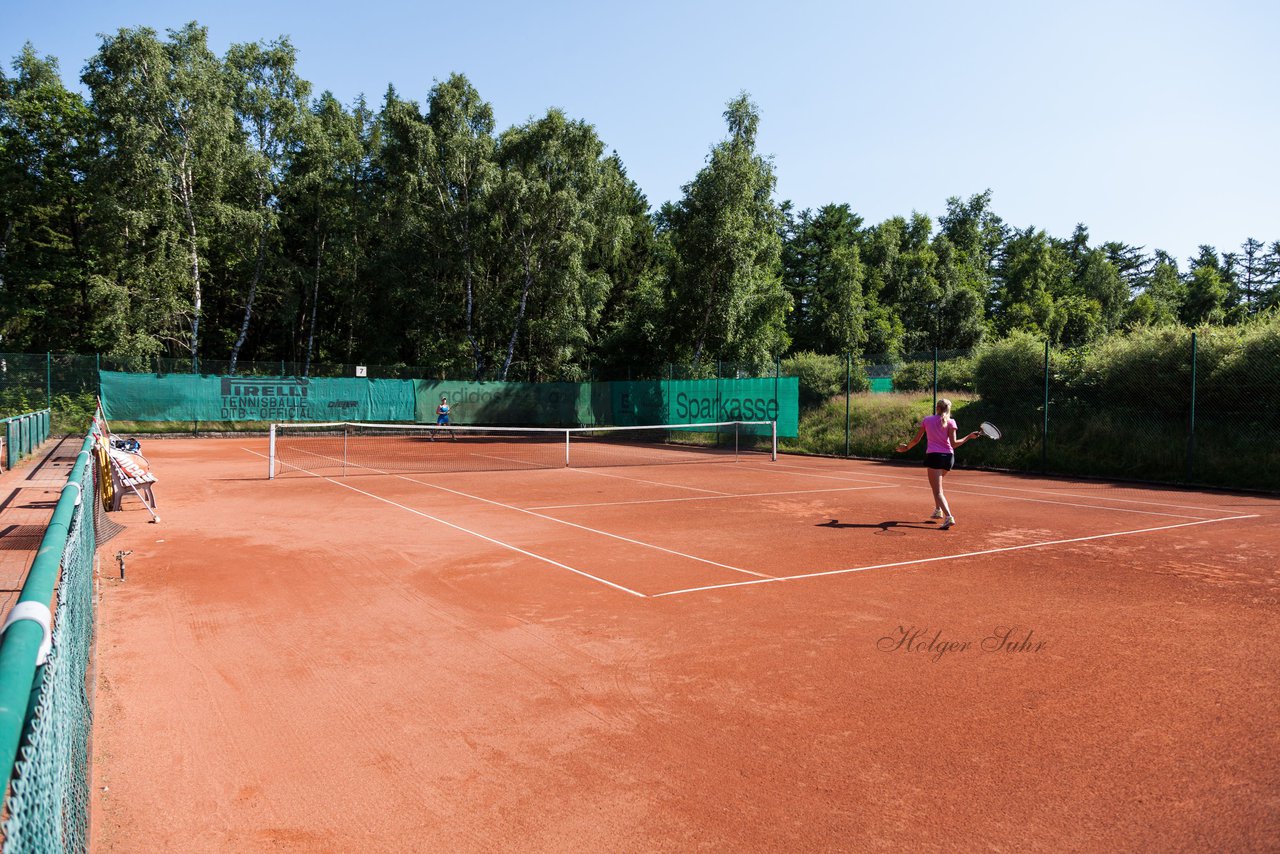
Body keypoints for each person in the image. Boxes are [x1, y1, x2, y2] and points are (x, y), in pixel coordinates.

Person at [894, 398, 979, 530]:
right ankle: (938, 510)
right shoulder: (951, 422)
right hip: (949, 458)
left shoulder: (927, 420)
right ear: (948, 409)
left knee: (937, 490)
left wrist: (906, 448)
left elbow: (916, 440)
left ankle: (949, 517)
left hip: (934, 457)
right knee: (937, 487)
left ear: (937, 408)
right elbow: (954, 444)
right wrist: (969, 437)